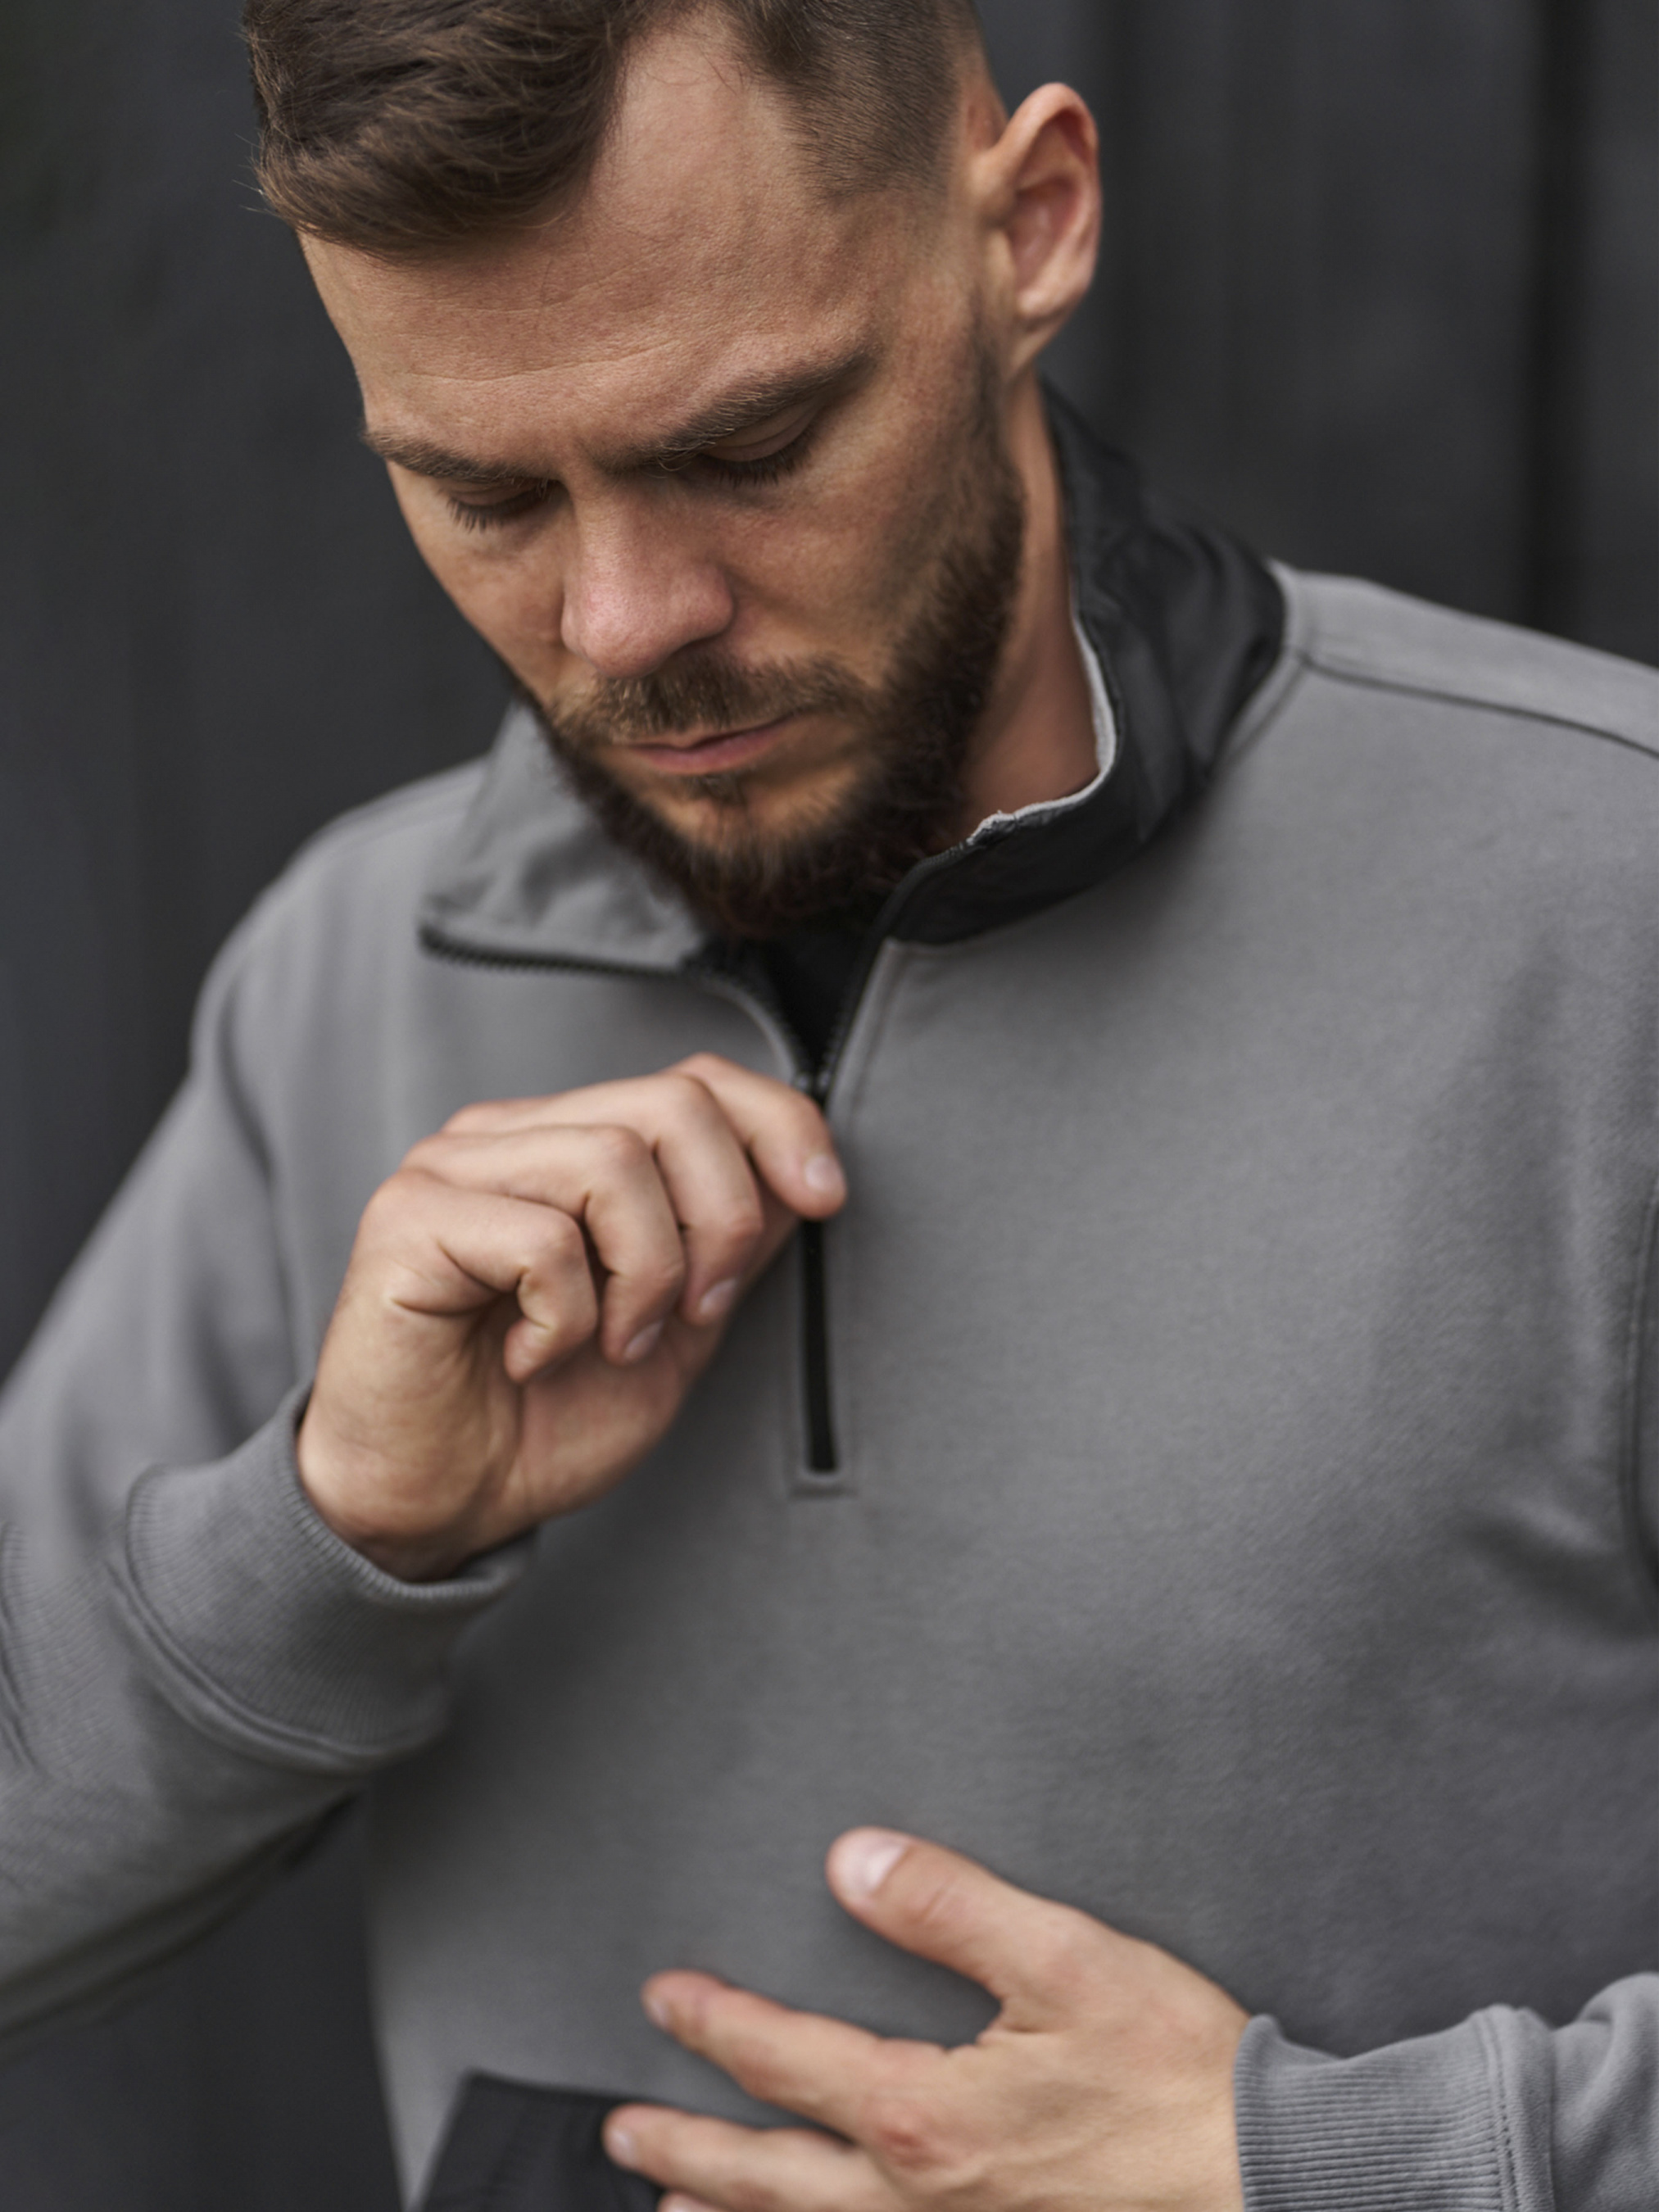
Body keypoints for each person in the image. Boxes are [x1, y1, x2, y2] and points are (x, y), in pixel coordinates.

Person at [0, 1, 1653, 2205]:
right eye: (486, 493)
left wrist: (1334, 2162)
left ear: (1029, 226)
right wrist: (333, 1533)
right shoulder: (347, 976)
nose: (624, 623)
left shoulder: (1607, 912)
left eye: (751, 443)